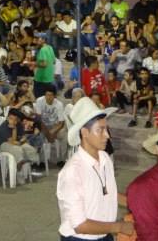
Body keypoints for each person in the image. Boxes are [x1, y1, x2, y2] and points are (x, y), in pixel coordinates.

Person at [56, 98, 132, 241]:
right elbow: (79, 225)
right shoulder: (72, 171)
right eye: (100, 130)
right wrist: (119, 227)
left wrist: (139, 205)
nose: (107, 135)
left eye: (106, 129)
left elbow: (108, 193)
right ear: (85, 132)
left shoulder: (104, 158)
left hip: (104, 234)